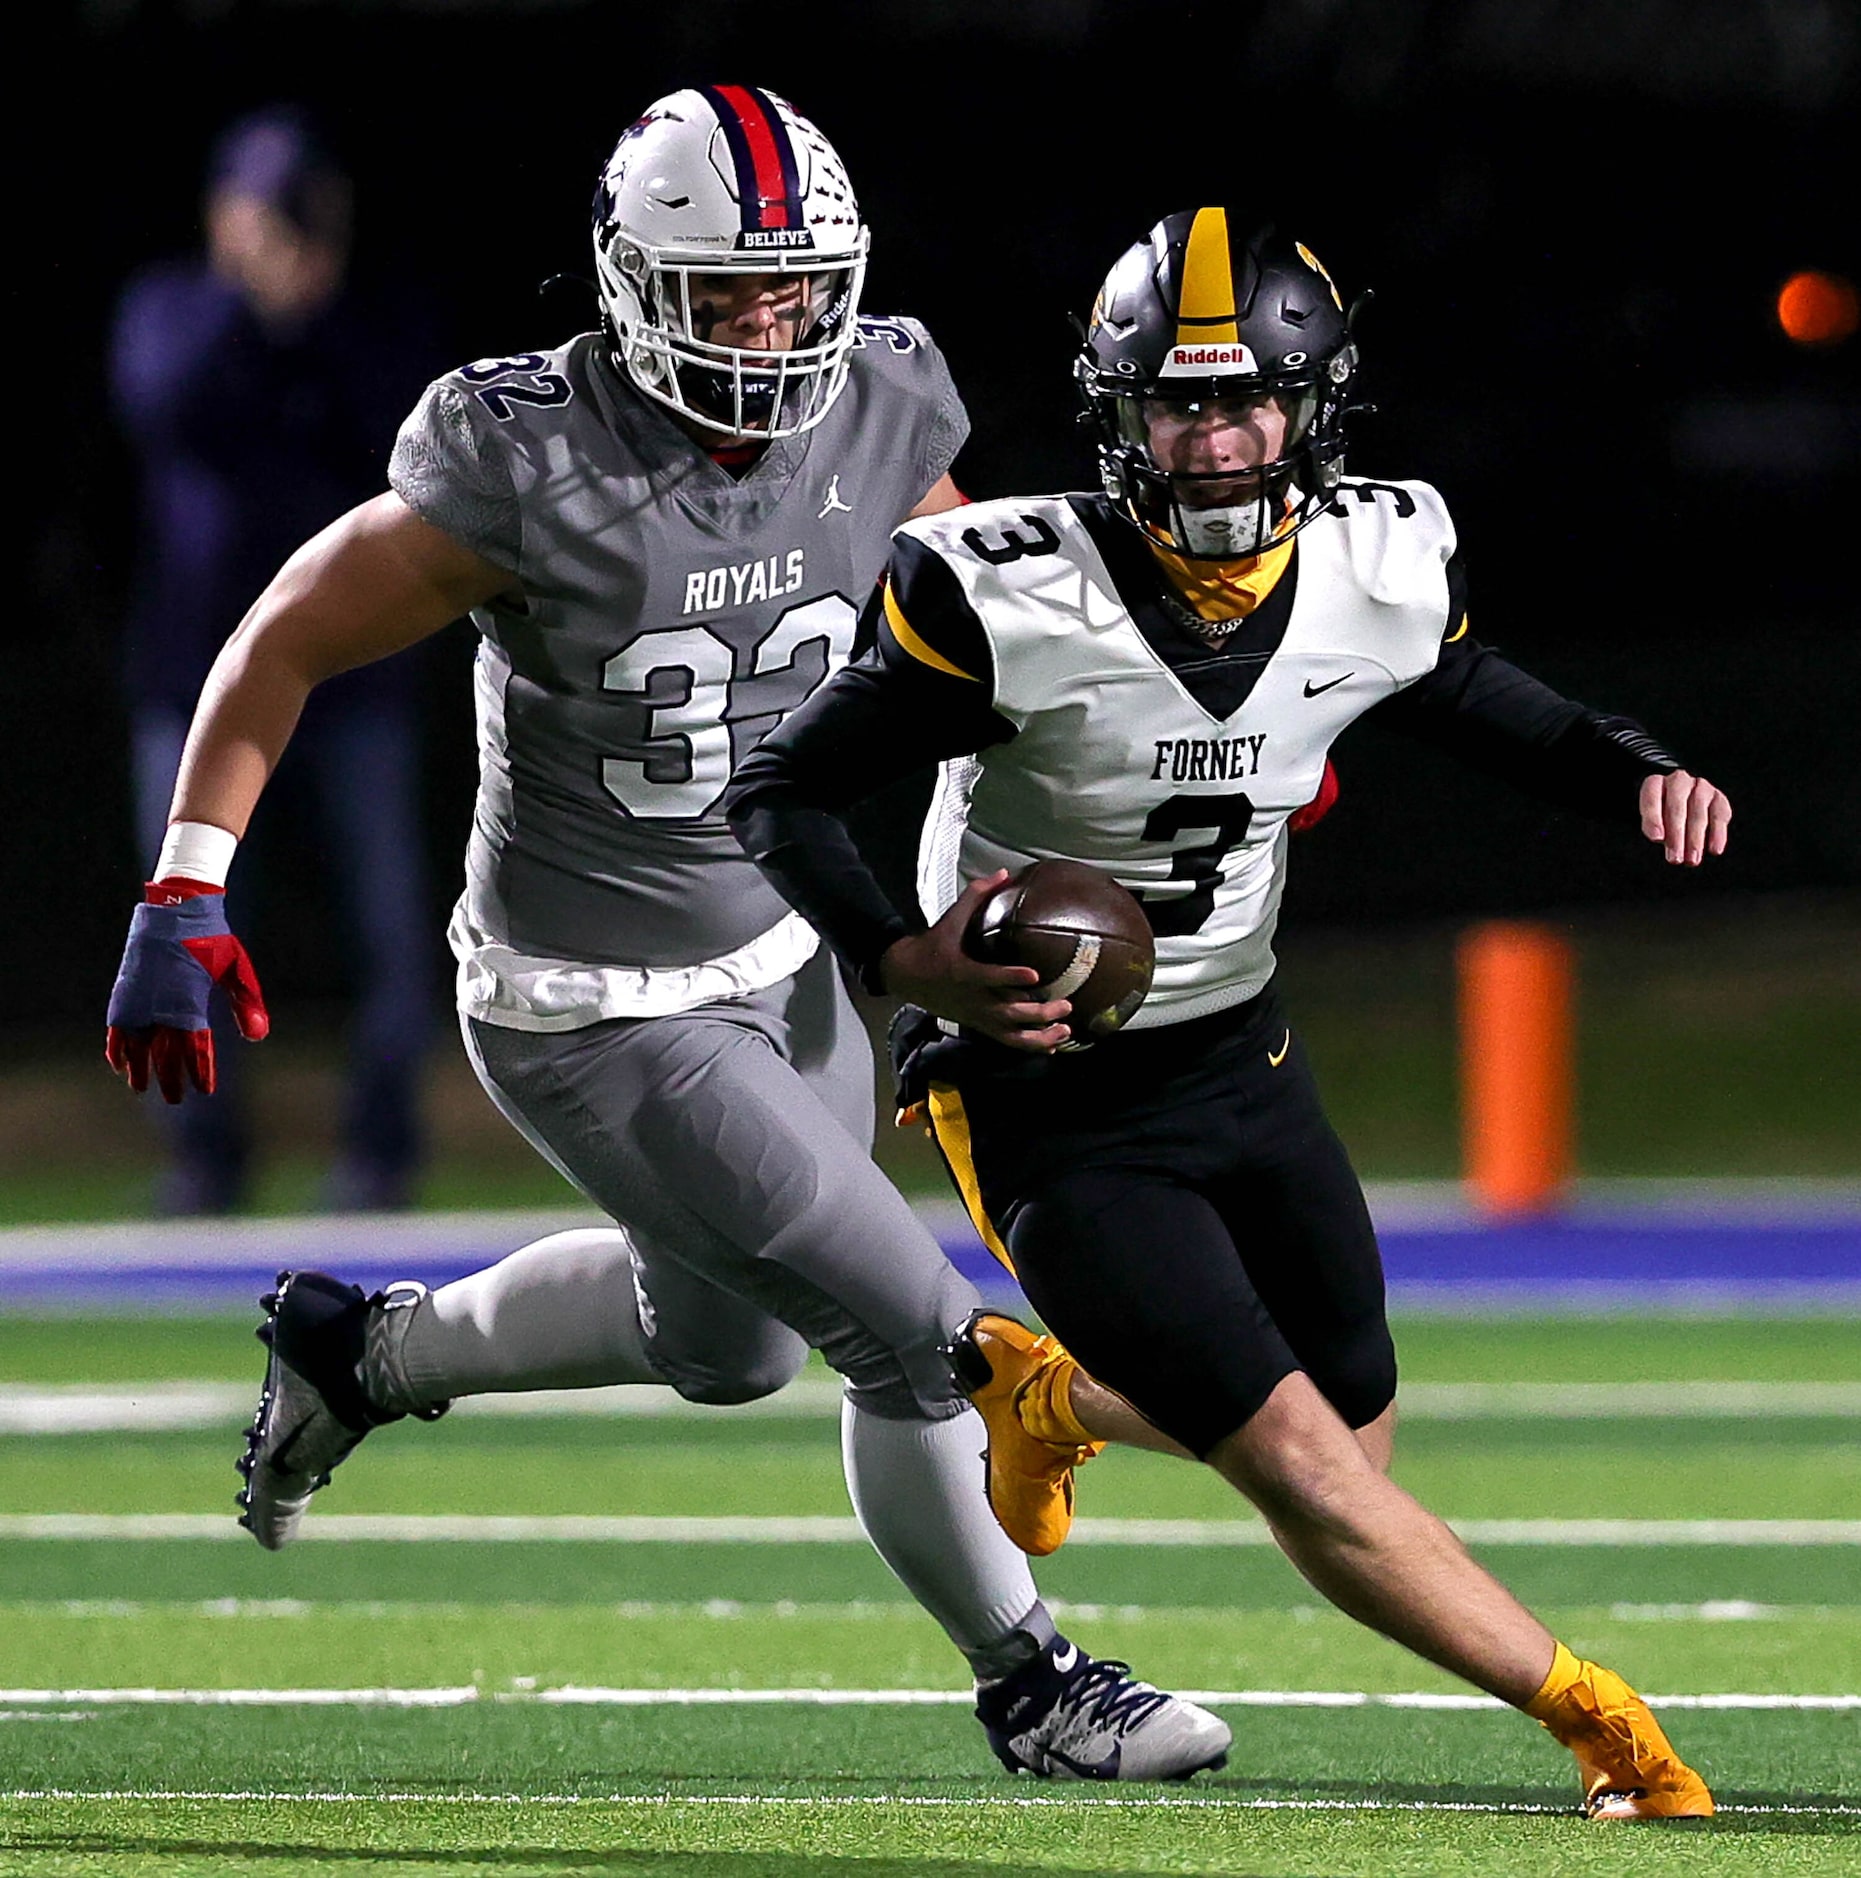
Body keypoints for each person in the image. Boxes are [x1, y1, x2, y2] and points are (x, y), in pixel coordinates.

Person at [103, 88, 1231, 1784]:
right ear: (633, 285)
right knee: (906, 1321)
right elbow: (277, 644)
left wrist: (1183, 733)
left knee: (728, 1345)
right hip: (589, 1000)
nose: (770, 330)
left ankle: (362, 1348)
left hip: (783, 958)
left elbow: (969, 626)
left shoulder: (883, 404)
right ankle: (1036, 1681)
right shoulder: (526, 455)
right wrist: (185, 884)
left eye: (795, 289)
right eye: (724, 293)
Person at [725, 208, 1732, 1820]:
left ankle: (1046, 1393)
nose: (1215, 436)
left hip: (1239, 1044)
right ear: (1122, 420)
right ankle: (1592, 1718)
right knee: (1303, 1467)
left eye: (1248, 398)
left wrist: (1632, 771)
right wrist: (902, 958)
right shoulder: (1005, 592)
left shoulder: (1373, 563)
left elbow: (1470, 692)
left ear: (1310, 408)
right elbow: (781, 791)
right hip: (1040, 1076)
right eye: (1180, 402)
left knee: (1355, 1437)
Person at [108, 103, 445, 1215]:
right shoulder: (173, 311)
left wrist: (313, 316)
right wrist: (248, 305)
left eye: (302, 221)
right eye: (267, 217)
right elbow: (163, 406)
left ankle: (383, 1151)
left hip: (353, 679)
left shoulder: (372, 322)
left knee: (389, 922)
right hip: (197, 682)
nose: (287, 242)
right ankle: (205, 1158)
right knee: (186, 909)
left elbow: (409, 450)